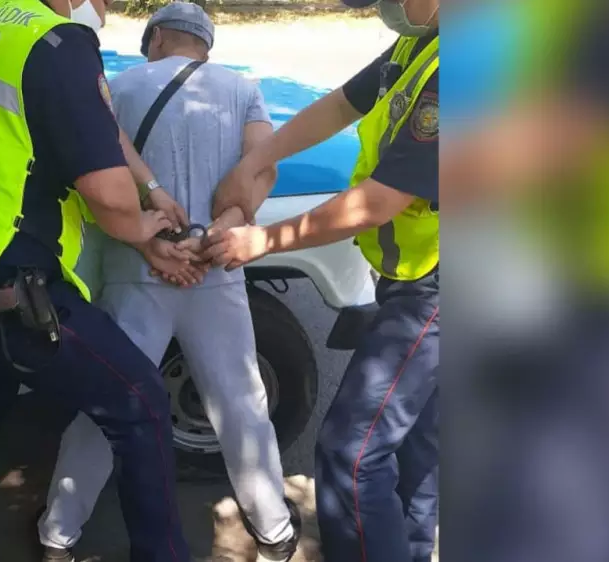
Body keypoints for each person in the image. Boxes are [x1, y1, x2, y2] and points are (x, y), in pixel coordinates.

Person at [0, 0, 195, 560]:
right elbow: (107, 194)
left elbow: (93, 126)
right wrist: (144, 232)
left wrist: (151, 187)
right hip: (8, 287)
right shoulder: (56, 42)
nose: (101, 6)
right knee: (140, 404)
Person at [37, 4, 301, 562]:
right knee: (241, 403)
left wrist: (149, 247)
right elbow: (263, 167)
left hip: (135, 271)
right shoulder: (242, 89)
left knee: (110, 404)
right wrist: (226, 228)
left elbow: (92, 177)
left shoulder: (116, 88)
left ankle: (57, 533)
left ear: (156, 38)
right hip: (216, 266)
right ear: (206, 44)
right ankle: (274, 528)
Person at [204, 1, 440, 561]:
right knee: (417, 446)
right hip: (420, 274)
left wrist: (264, 240)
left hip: (439, 288)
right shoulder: (425, 41)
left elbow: (378, 201)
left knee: (351, 454)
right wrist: (256, 160)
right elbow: (341, 104)